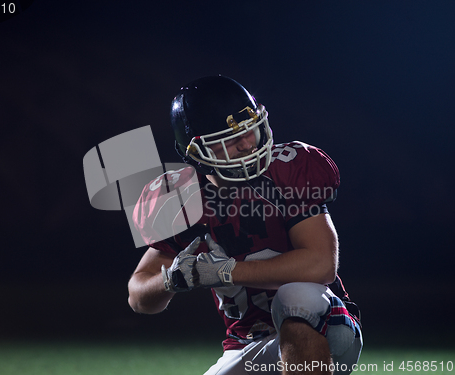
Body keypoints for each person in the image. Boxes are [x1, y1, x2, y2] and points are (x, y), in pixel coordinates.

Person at [127, 75, 362, 375]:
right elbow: (138, 295)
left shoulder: (287, 171)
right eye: (231, 139)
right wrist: (171, 280)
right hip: (248, 344)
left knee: (296, 297)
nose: (248, 144)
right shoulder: (183, 200)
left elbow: (320, 265)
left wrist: (226, 272)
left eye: (250, 131)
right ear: (197, 152)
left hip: (326, 328)